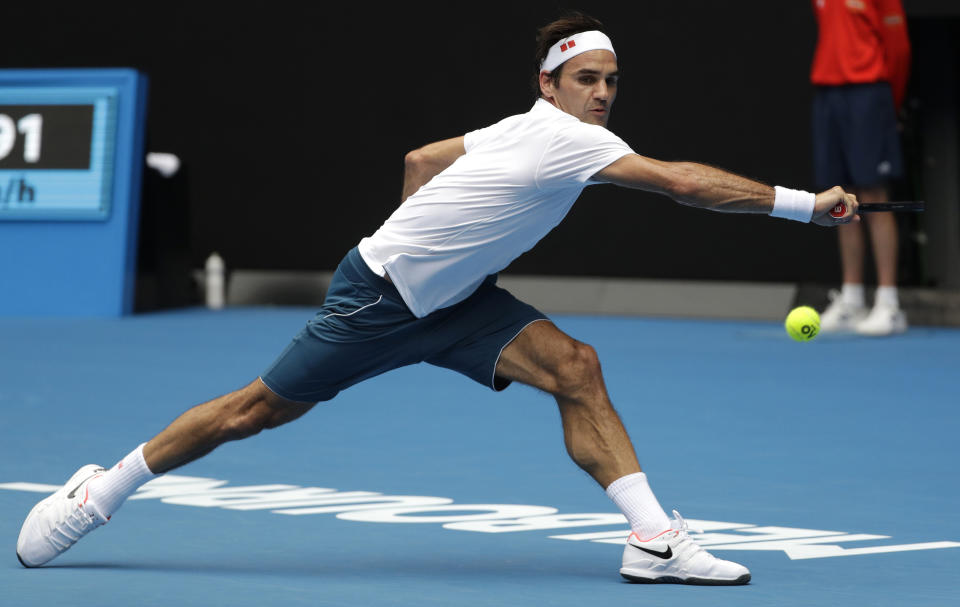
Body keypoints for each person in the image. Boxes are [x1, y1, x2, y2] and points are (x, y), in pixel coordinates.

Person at [16, 13, 859, 585]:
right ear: (552, 85)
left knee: (576, 366)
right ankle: (102, 490)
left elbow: (422, 160)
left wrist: (440, 244)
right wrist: (803, 202)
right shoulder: (564, 139)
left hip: (456, 300)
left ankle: (651, 539)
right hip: (379, 301)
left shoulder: (523, 125)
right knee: (254, 411)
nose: (603, 93)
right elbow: (679, 183)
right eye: (588, 80)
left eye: (613, 80)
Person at [811, 0, 911, 335]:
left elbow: (898, 48)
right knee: (839, 196)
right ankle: (852, 299)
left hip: (869, 92)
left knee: (873, 191)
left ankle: (889, 303)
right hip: (828, 93)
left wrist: (887, 101)